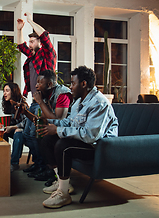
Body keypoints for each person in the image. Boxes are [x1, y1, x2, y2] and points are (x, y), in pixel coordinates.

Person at [38, 66, 118, 209]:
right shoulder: (79, 102)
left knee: (63, 145)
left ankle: (63, 194)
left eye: (73, 83)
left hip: (100, 148)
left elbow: (90, 136)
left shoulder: (99, 103)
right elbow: (70, 123)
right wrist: (50, 123)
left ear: (84, 84)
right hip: (87, 143)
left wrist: (58, 130)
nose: (70, 87)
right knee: (47, 140)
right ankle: (62, 183)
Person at [16, 12, 57, 173]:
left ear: (40, 42)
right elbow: (21, 46)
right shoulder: (32, 57)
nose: (30, 44)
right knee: (28, 135)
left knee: (37, 135)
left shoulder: (48, 55)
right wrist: (20, 30)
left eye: (32, 41)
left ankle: (46, 166)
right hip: (34, 100)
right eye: (30, 42)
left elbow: (45, 35)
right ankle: (39, 163)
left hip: (45, 102)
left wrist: (30, 21)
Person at [28, 70, 72, 183]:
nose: (36, 85)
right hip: (60, 127)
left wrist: (40, 102)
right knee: (37, 133)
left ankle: (55, 174)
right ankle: (48, 168)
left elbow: (58, 119)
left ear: (49, 84)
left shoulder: (63, 94)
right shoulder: (48, 94)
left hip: (69, 128)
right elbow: (44, 116)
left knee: (45, 138)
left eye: (39, 82)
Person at [1, 82, 26, 172]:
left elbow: (26, 122)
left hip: (25, 130)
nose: (4, 93)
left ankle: (14, 163)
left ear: (13, 92)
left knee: (18, 133)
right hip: (14, 129)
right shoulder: (8, 104)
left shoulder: (22, 104)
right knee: (2, 131)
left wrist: (14, 127)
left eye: (7, 91)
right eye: (4, 91)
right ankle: (3, 159)